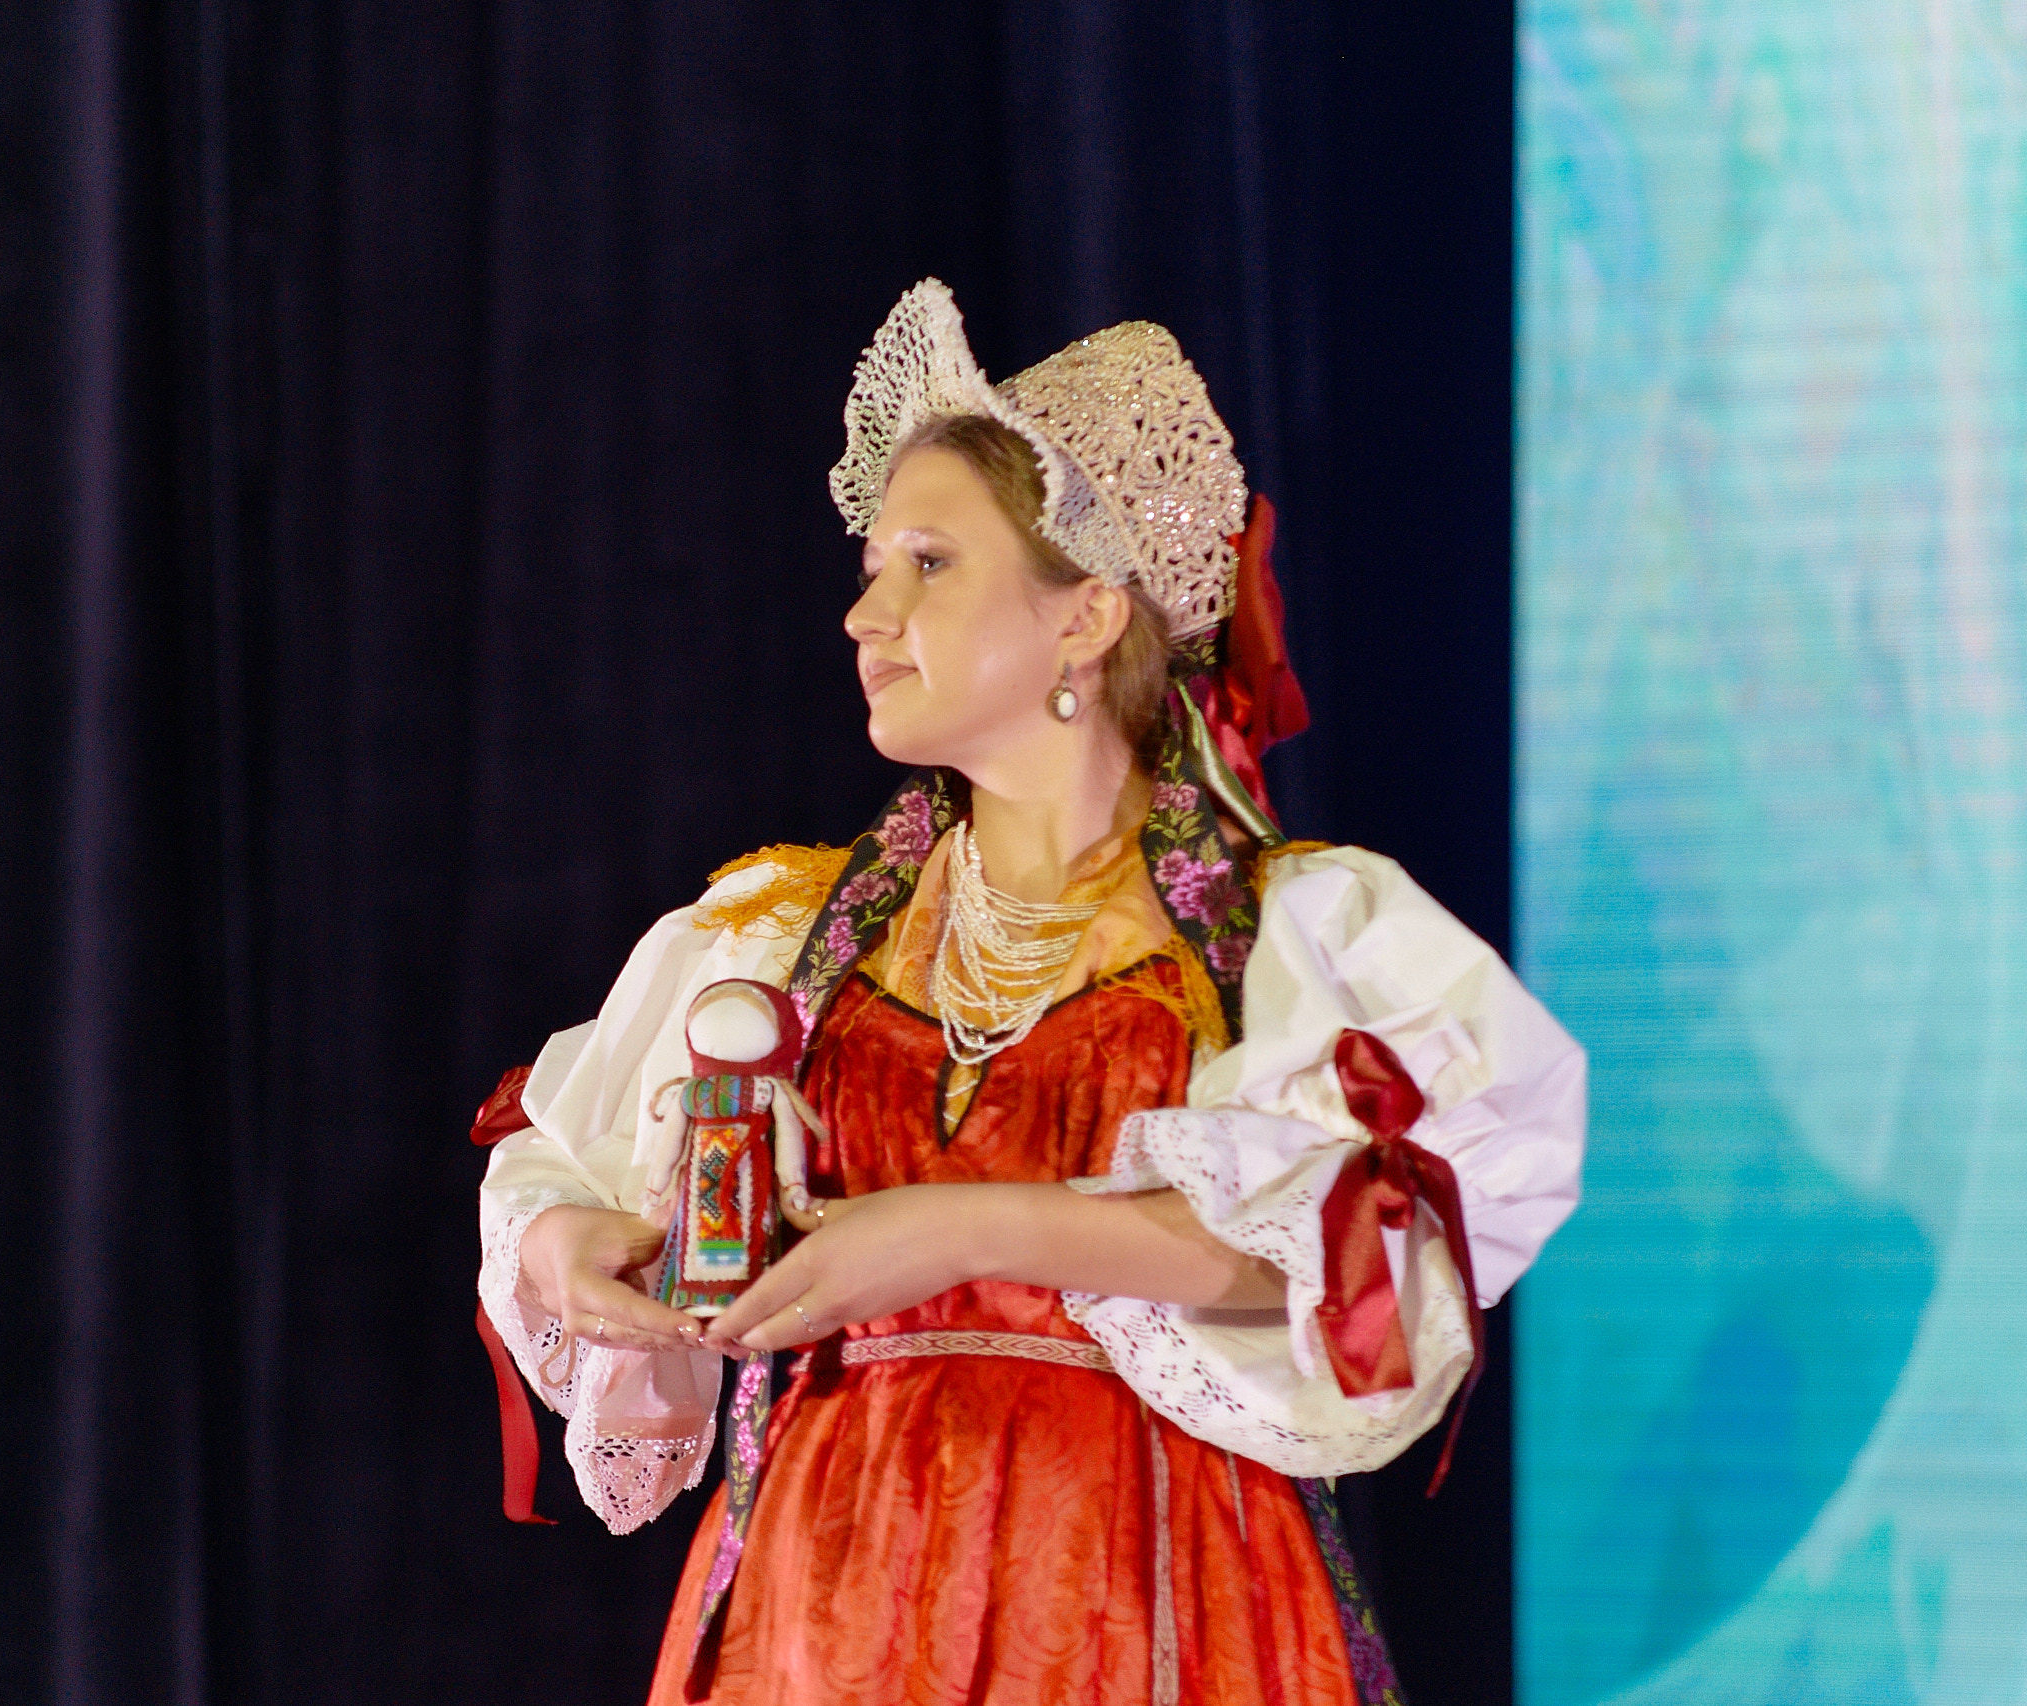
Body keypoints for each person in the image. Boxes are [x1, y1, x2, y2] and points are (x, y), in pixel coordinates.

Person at [475, 279, 1585, 1705]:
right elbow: (562, 1162)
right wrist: (575, 1248)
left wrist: (968, 1227)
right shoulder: (780, 935)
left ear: (1087, 614)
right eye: (873, 566)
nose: (866, 612)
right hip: (829, 1598)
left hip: (1142, 1580)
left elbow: (1373, 1243)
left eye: (929, 563)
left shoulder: (1283, 937)